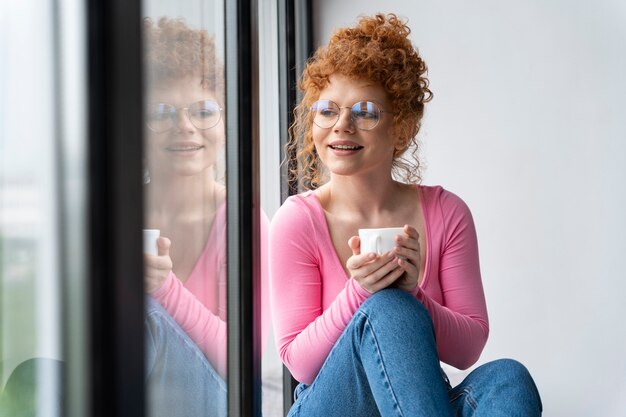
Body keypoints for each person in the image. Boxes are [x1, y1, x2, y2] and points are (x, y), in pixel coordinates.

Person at [269, 13, 542, 416]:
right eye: (327, 110)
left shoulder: (447, 213)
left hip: (419, 402)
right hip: (330, 405)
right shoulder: (297, 220)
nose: (342, 125)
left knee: (507, 379)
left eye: (364, 111)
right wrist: (362, 293)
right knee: (386, 308)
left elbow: (468, 349)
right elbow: (300, 362)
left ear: (402, 128)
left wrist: (415, 293)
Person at [142, 17, 269, 417]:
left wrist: (164, 288)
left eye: (202, 111)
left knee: (147, 316)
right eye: (161, 112)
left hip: (215, 401)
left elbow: (244, 358)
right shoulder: (112, 215)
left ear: (225, 121)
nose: (184, 127)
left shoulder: (241, 222)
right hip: (130, 389)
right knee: (34, 374)